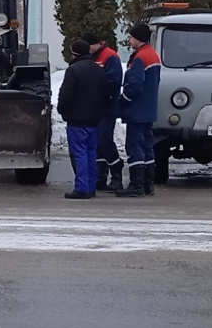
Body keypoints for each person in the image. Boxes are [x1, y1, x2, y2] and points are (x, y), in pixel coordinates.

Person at [56, 36, 113, 200]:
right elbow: (105, 94)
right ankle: (91, 186)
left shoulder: (74, 70)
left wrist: (62, 110)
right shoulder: (98, 70)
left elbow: (65, 94)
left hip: (76, 119)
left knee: (79, 153)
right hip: (94, 119)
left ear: (74, 53)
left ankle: (82, 188)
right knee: (91, 153)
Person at [117, 21, 162, 196]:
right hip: (148, 110)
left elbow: (134, 85)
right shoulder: (153, 55)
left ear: (138, 39)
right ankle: (147, 184)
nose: (129, 40)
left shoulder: (140, 58)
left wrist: (123, 101)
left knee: (135, 147)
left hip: (137, 111)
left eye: (131, 37)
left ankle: (136, 186)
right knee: (147, 147)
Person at [90, 32, 125, 194]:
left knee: (104, 140)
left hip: (107, 106)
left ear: (97, 44)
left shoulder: (110, 57)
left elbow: (114, 81)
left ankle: (116, 173)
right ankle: (100, 176)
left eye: (90, 46)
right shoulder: (92, 57)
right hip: (95, 107)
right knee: (97, 141)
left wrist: (98, 93)